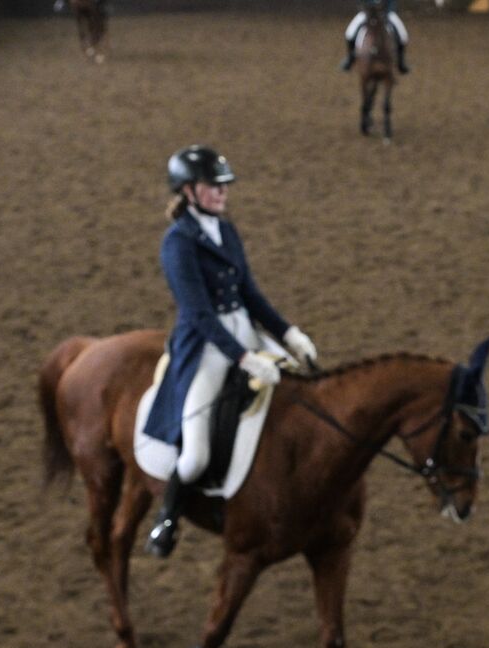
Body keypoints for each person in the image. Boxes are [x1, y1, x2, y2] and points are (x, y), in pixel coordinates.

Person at [141, 145, 319, 558]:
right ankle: (167, 518)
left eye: (224, 186)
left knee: (303, 388)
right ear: (188, 191)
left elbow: (250, 293)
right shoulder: (178, 243)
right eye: (213, 186)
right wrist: (244, 358)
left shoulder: (228, 230)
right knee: (196, 454)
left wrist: (289, 333)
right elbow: (199, 314)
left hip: (244, 329)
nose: (222, 193)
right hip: (206, 345)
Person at [342, 0, 410, 75]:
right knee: (350, 33)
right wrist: (366, 9)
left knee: (403, 34)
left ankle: (401, 61)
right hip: (367, 13)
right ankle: (350, 58)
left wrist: (386, 10)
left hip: (386, 12)